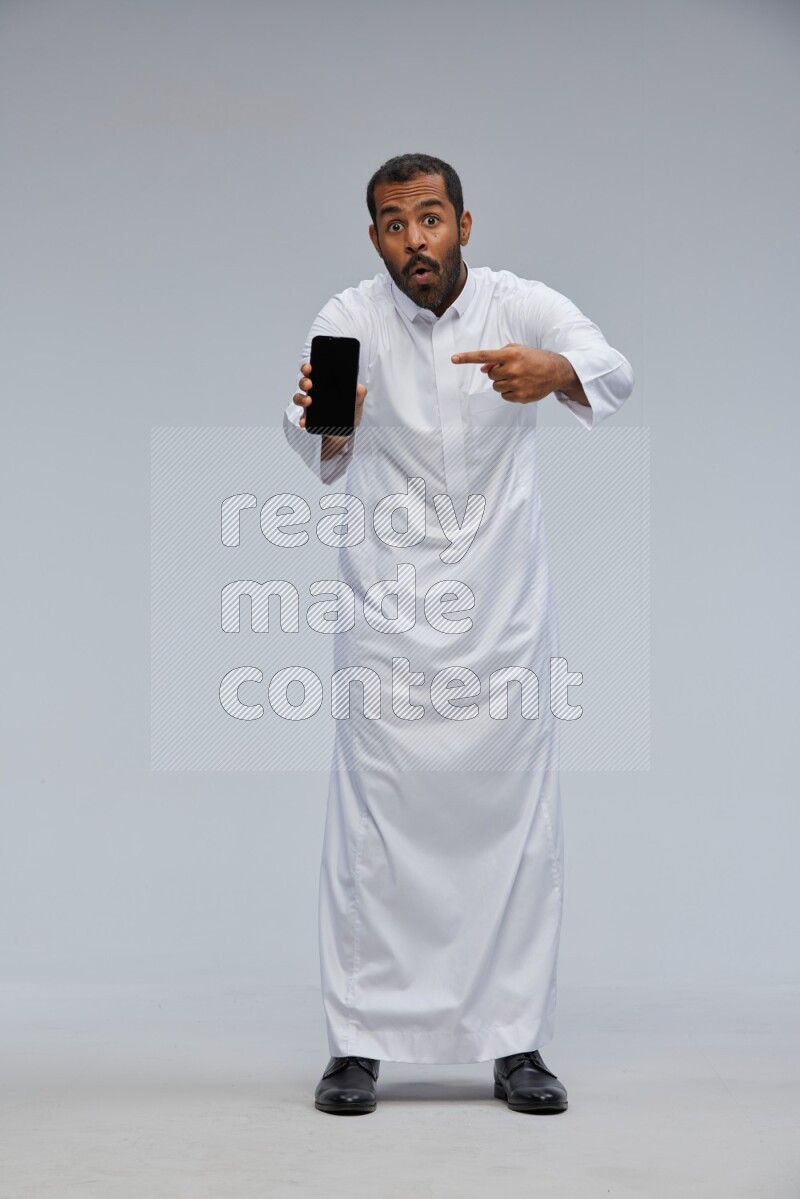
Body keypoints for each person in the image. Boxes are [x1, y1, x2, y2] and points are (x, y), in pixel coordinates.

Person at [283, 153, 634, 1116]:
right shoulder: (351, 315)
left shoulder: (519, 305)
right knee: (373, 833)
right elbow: (314, 417)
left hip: (502, 614)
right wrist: (331, 418)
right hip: (390, 620)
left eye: (430, 219)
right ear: (375, 240)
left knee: (515, 831)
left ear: (465, 225)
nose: (415, 241)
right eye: (394, 225)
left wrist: (556, 370)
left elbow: (613, 368)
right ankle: (356, 1044)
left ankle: (516, 1045)